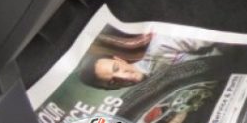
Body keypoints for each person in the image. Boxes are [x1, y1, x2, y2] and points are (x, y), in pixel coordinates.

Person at [78, 34, 217, 89]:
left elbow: (214, 35)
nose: (124, 76)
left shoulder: (160, 46)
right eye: (112, 82)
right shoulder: (147, 94)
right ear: (111, 89)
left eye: (116, 69)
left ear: (119, 59)